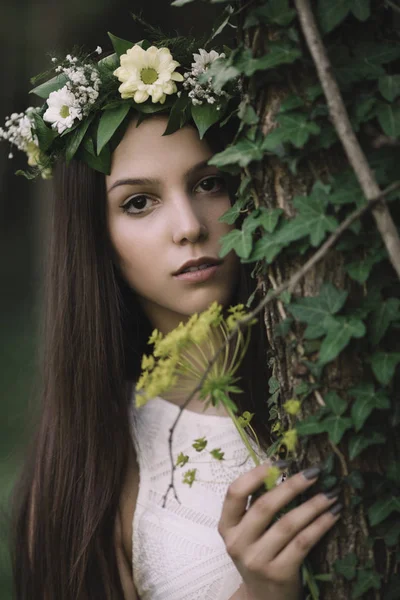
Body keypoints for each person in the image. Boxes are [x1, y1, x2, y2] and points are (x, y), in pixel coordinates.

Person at [4, 36, 342, 600]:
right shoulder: (82, 483)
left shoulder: (330, 368)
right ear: (97, 241)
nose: (189, 224)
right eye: (139, 202)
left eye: (209, 183)